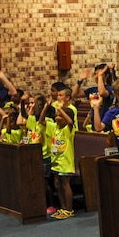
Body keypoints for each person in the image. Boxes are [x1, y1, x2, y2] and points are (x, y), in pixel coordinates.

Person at [39, 89, 76, 220]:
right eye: (56, 115)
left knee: (65, 184)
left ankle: (69, 209)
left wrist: (60, 109)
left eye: (60, 116)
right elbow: (42, 121)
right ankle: (62, 207)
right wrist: (46, 107)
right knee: (57, 184)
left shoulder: (68, 129)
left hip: (65, 162)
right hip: (55, 161)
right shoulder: (54, 127)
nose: (57, 117)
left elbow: (71, 122)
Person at [72, 64, 114, 132]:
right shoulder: (92, 90)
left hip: (105, 125)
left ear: (106, 76)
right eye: (95, 74)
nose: (96, 77)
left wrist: (100, 77)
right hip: (94, 122)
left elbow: (102, 93)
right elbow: (75, 94)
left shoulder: (109, 88)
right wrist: (79, 81)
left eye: (100, 74)